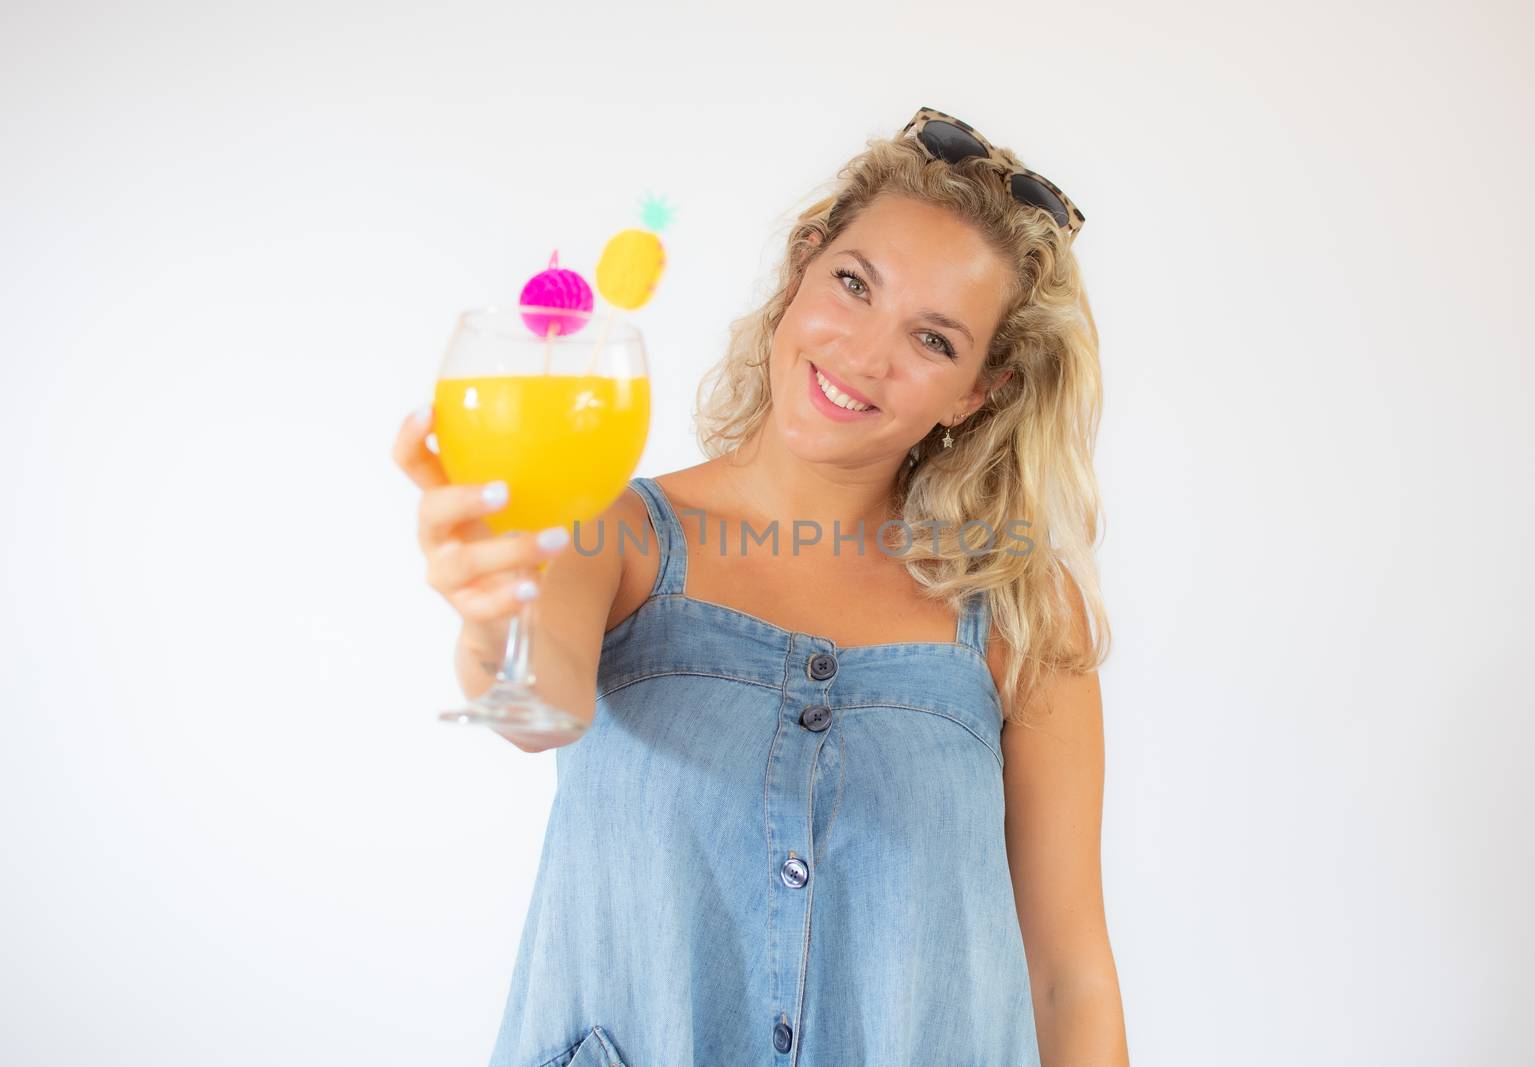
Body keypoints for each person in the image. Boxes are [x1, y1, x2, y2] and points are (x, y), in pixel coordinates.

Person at [393, 107, 1128, 1066]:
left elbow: (1067, 972)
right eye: (854, 284)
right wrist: (492, 617)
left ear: (977, 392)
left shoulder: (1021, 613)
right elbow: (534, 704)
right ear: (801, 270)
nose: (865, 353)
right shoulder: (612, 530)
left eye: (935, 340)